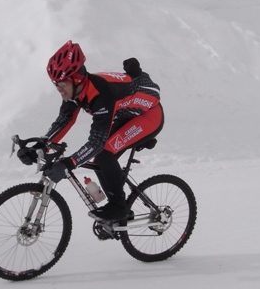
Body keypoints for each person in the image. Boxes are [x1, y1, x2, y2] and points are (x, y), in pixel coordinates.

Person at [18, 40, 164, 221]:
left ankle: (119, 207)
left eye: (61, 84)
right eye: (55, 84)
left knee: (104, 154)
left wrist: (68, 164)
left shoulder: (102, 93)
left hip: (149, 116)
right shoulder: (75, 90)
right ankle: (119, 207)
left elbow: (96, 142)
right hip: (124, 115)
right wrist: (41, 145)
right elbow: (65, 119)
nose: (58, 89)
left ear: (76, 79)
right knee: (100, 158)